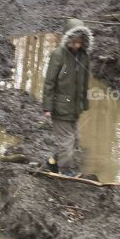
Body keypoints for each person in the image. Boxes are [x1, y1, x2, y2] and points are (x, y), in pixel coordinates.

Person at [42, 19, 92, 176]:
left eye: (80, 42)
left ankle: (53, 162)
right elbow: (49, 82)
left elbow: (84, 82)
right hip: (60, 106)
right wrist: (48, 107)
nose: (77, 45)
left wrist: (83, 103)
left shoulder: (84, 57)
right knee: (67, 141)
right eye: (74, 42)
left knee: (74, 141)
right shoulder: (58, 55)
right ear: (68, 39)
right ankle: (65, 170)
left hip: (74, 107)